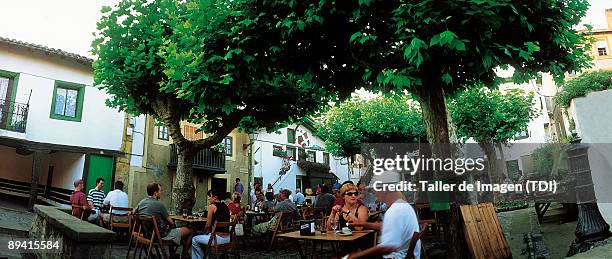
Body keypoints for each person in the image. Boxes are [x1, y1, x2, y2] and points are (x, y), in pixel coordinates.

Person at [344, 171, 420, 259]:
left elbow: (387, 247)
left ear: (385, 190)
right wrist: (362, 224)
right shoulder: (402, 205)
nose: (374, 193)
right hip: (407, 254)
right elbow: (388, 226)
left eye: (376, 189)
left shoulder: (395, 210)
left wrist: (354, 256)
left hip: (397, 256)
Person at [135, 183, 193, 258]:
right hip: (161, 235)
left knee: (170, 228)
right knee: (191, 230)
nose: (161, 193)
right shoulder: (159, 205)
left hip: (148, 234)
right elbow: (171, 222)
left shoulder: (141, 202)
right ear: (155, 193)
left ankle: (172, 254)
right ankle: (184, 256)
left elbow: (133, 212)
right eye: (160, 191)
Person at [191, 189, 231, 259]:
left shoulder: (211, 207)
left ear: (215, 197)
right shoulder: (225, 206)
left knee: (194, 239)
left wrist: (204, 233)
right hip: (228, 238)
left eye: (210, 196)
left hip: (217, 239)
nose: (208, 198)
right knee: (203, 237)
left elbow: (208, 225)